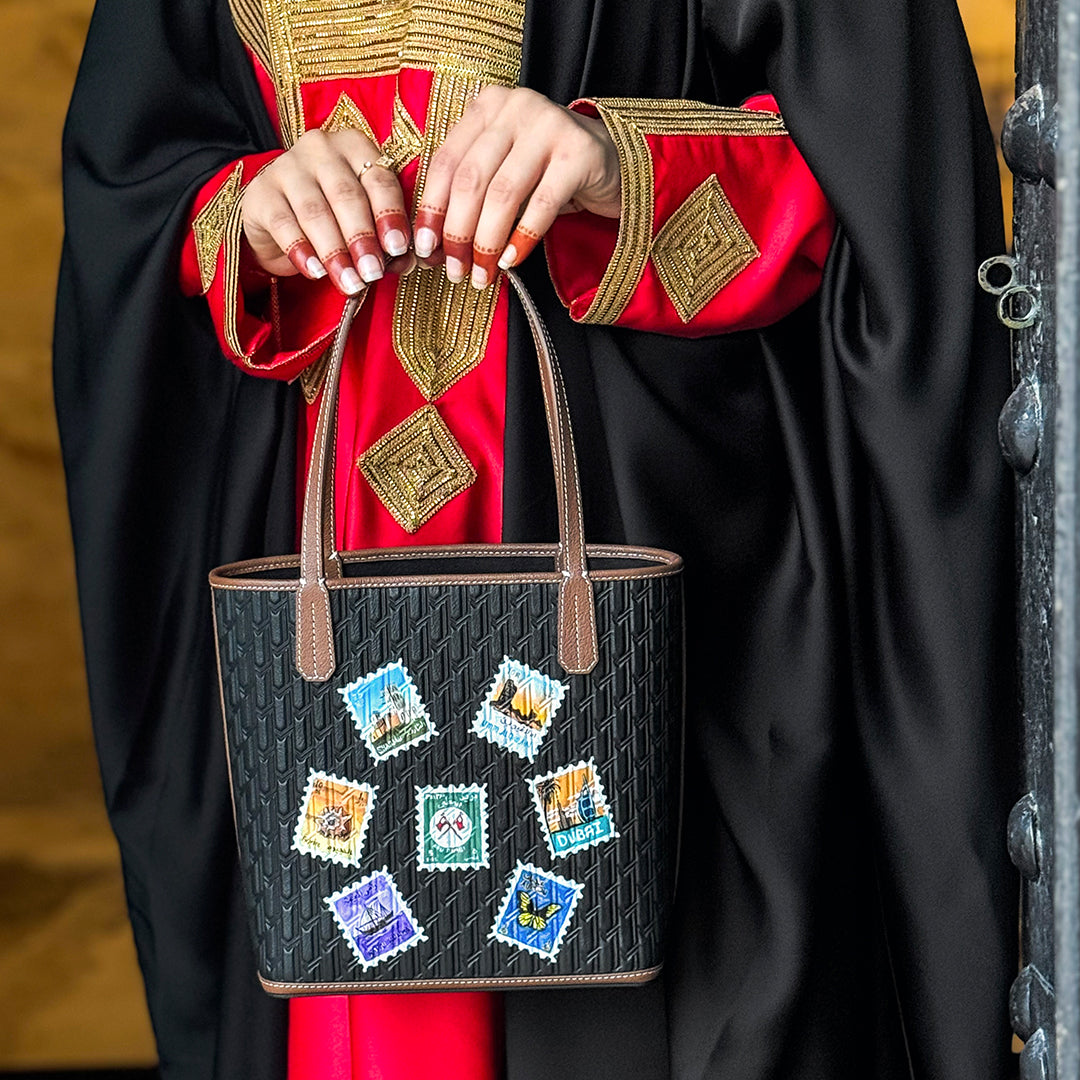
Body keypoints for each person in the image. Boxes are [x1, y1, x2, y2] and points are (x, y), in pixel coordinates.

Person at [54, 0, 1017, 1078]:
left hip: (662, 591)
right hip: (314, 571)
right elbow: (131, 185)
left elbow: (890, 182)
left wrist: (621, 165)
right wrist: (243, 214)